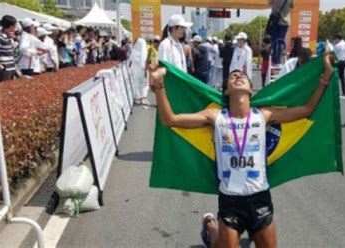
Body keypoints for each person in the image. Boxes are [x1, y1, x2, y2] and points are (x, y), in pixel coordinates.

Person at [147, 45, 334, 248]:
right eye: (232, 76)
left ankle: (221, 231)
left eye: (242, 75)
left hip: (260, 198)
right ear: (227, 90)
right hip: (230, 201)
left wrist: (324, 79)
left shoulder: (264, 115)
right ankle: (211, 228)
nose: (237, 76)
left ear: (250, 88)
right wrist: (159, 87)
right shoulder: (215, 116)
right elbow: (170, 119)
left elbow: (307, 110)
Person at [268, 0, 294, 65]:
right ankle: (278, 60)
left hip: (275, 21)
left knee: (274, 39)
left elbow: (269, 3)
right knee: (281, 40)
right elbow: (292, 6)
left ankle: (274, 60)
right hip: (285, 22)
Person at [129, 38, 149, 105]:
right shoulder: (145, 51)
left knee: (136, 83)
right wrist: (146, 70)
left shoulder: (133, 51)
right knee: (144, 84)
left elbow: (130, 61)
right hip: (143, 70)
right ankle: (143, 98)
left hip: (135, 70)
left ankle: (137, 98)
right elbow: (146, 61)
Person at [0, 15, 17, 82]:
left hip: (10, 68)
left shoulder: (7, 37)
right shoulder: (0, 37)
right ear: (11, 26)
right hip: (4, 69)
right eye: (14, 26)